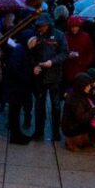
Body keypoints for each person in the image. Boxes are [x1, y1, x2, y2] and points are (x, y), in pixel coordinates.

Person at [29, 14, 68, 142]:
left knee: (56, 106)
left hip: (54, 75)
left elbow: (64, 53)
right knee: (39, 105)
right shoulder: (35, 35)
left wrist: (52, 62)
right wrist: (34, 65)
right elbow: (30, 54)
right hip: (40, 76)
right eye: (39, 26)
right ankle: (38, 131)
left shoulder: (59, 35)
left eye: (43, 26)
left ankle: (56, 132)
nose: (41, 28)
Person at [5, 29, 35, 145]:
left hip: (17, 87)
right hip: (16, 87)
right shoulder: (20, 51)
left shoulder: (22, 50)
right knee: (15, 112)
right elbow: (15, 69)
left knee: (15, 112)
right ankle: (16, 135)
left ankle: (16, 134)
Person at [60, 72, 95, 151]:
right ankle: (72, 142)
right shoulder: (75, 99)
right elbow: (82, 118)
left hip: (74, 124)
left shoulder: (80, 94)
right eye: (87, 86)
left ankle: (80, 141)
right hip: (71, 127)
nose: (89, 87)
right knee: (93, 133)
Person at [64, 15, 95, 85]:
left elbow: (91, 51)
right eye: (72, 27)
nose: (74, 29)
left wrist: (86, 63)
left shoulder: (85, 36)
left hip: (82, 68)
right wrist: (67, 55)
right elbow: (62, 50)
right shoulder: (66, 36)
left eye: (76, 26)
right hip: (69, 68)